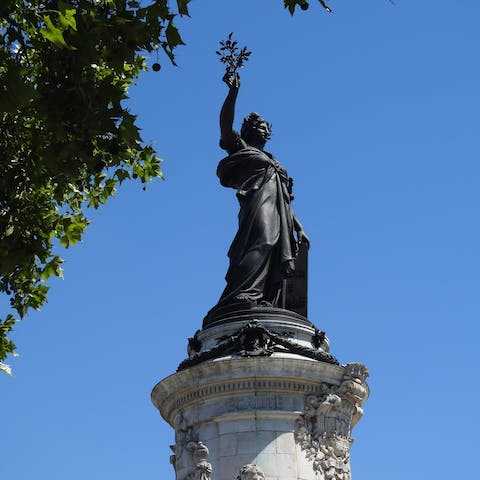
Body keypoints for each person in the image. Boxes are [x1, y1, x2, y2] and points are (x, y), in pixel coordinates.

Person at [215, 72, 309, 309]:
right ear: (248, 130)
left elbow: (285, 200)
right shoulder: (242, 149)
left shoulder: (273, 161)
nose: (265, 130)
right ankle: (242, 294)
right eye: (260, 127)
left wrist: (299, 227)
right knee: (262, 241)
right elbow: (226, 127)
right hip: (257, 205)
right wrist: (233, 93)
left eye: (267, 128)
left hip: (280, 212)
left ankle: (264, 298)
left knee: (276, 250)